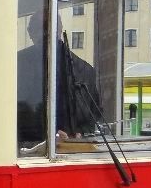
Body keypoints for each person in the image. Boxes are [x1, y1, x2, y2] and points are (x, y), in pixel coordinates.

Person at [17, 10, 98, 148]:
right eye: (41, 29)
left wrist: (80, 133)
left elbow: (94, 116)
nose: (46, 33)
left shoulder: (84, 70)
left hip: (73, 151)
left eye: (50, 28)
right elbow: (15, 115)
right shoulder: (18, 64)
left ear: (59, 29)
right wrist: (49, 134)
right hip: (33, 152)